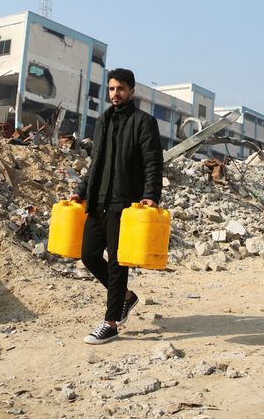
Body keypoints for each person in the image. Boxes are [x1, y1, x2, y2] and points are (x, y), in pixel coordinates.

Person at [69, 68, 163, 345]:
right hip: (98, 200)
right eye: (111, 89)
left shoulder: (144, 122)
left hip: (125, 203)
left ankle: (110, 323)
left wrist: (151, 195)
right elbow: (95, 162)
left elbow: (152, 163)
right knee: (89, 255)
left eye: (120, 88)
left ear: (131, 91)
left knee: (117, 263)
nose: (115, 93)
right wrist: (81, 191)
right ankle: (125, 297)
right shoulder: (103, 120)